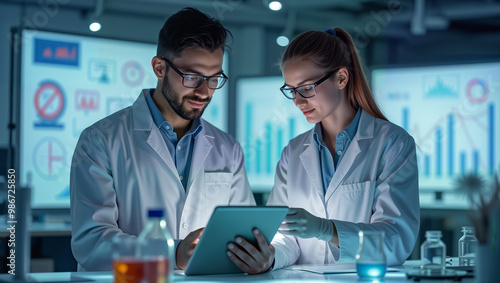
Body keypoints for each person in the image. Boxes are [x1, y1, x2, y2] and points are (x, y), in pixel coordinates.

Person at [70, 7, 255, 271]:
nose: (204, 91)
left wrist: (257, 256)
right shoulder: (100, 140)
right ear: (159, 68)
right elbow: (91, 243)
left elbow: (240, 231)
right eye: (192, 77)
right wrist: (173, 253)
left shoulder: (228, 148)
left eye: (214, 79)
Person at [226, 27, 419, 273]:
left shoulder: (392, 143)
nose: (298, 101)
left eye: (306, 88)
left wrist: (327, 230)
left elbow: (397, 240)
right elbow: (284, 235)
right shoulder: (294, 152)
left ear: (341, 78)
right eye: (291, 90)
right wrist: (271, 256)